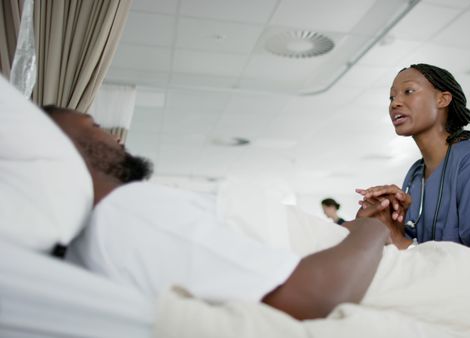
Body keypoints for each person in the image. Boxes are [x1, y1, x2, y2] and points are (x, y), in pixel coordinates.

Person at [42, 105, 392, 321]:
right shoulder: (126, 213)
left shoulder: (104, 230)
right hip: (377, 267)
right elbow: (315, 295)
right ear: (60, 146)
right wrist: (369, 230)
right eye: (94, 126)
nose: (115, 138)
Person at [356, 64, 470, 254]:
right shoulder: (415, 175)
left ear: (442, 99)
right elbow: (416, 251)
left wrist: (402, 243)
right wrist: (387, 223)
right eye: (392, 97)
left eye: (409, 91)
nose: (395, 103)